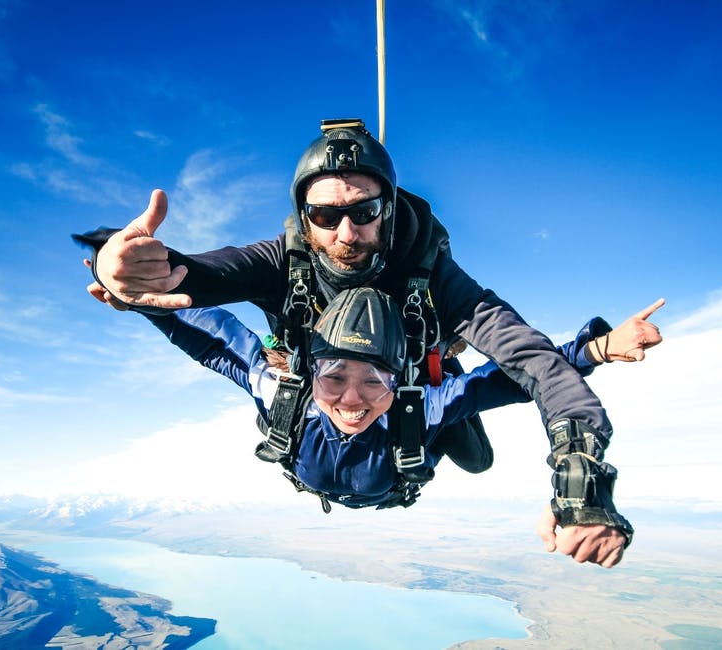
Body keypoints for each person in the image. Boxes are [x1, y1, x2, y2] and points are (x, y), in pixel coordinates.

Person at [74, 118, 662, 566]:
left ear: (389, 209)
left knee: (472, 447)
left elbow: (526, 365)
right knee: (454, 412)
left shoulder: (433, 287)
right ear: (303, 217)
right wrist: (128, 276)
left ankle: (431, 366)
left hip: (414, 395)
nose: (346, 233)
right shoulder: (284, 290)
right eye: (325, 216)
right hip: (391, 407)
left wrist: (581, 484)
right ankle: (426, 378)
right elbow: (198, 291)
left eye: (365, 210)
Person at [142, 288, 659, 568]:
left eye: (374, 380)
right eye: (335, 376)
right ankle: (428, 364)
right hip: (381, 467)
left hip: (410, 444)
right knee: (467, 445)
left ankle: (437, 361)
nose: (351, 398)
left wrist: (597, 349)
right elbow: (216, 339)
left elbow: (508, 378)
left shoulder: (416, 408)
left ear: (396, 379)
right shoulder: (287, 396)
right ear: (310, 372)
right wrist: (139, 295)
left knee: (477, 456)